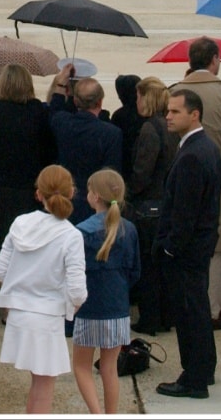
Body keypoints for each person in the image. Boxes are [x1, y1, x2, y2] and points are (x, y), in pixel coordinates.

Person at [169, 37, 221, 330]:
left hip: (181, 167)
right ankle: (213, 308)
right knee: (217, 240)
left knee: (182, 232)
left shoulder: (176, 92)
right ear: (214, 60)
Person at [0, 164, 87, 414]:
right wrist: (73, 303)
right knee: (44, 387)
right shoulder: (71, 235)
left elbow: (1, 271)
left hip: (20, 314)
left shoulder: (20, 223)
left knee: (38, 384)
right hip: (47, 316)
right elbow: (78, 289)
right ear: (71, 192)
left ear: (39, 194)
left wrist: (19, 291)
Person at [153, 90, 221, 400]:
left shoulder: (194, 154)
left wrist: (170, 247)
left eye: (175, 111)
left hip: (188, 250)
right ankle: (204, 367)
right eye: (169, 110)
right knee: (197, 308)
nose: (168, 116)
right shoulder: (204, 147)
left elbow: (186, 212)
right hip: (199, 246)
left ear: (194, 114)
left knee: (189, 312)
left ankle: (194, 377)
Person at [0, 63, 57, 304]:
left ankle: (3, 294)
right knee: (30, 244)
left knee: (2, 243)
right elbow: (50, 151)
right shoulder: (39, 112)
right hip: (31, 188)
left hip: (1, 187)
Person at [72, 169, 140, 415]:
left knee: (81, 366)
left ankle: (96, 413)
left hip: (90, 308)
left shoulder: (81, 231)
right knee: (109, 368)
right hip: (118, 307)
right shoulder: (129, 229)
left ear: (95, 196)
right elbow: (135, 271)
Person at [127, 76, 179, 336]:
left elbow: (142, 172)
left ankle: (150, 319)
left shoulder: (149, 130)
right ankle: (166, 314)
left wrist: (128, 191)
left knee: (148, 267)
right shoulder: (169, 127)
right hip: (166, 203)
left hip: (148, 206)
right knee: (162, 267)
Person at [47, 72, 122, 225]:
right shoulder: (111, 133)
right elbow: (112, 170)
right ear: (100, 102)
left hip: (64, 196)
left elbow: (55, 108)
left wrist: (61, 85)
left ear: (75, 100)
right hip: (95, 200)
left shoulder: (61, 123)